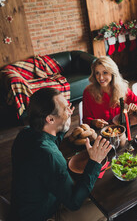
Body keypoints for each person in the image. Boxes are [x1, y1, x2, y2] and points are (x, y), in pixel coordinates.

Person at [11, 88, 112, 221]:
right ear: (50, 119)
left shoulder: (26, 133)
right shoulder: (49, 155)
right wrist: (94, 161)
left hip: (22, 207)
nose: (71, 111)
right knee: (105, 210)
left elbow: (51, 140)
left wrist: (64, 125)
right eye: (66, 109)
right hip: (43, 215)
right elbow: (73, 203)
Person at [83, 56, 137, 128]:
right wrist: (93, 122)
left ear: (112, 73)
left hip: (121, 129)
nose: (100, 77)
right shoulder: (88, 92)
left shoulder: (122, 88)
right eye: (97, 73)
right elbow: (86, 119)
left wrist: (136, 107)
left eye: (105, 72)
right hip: (101, 132)